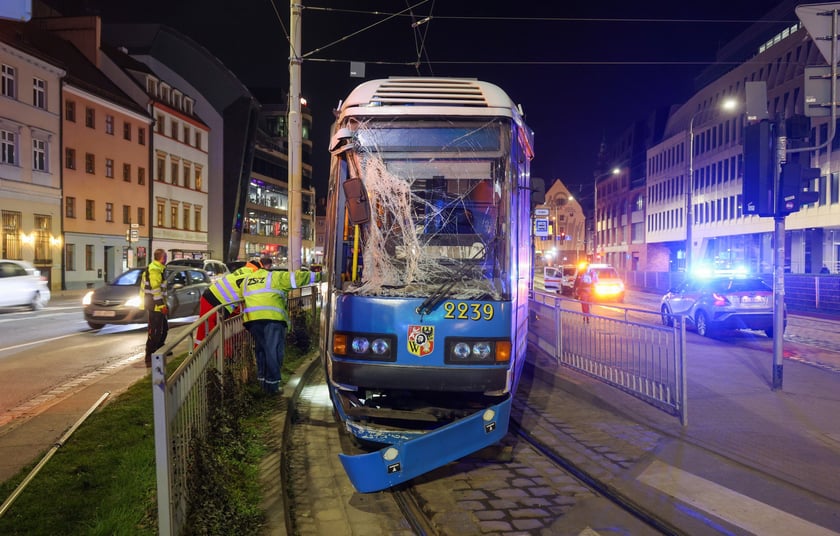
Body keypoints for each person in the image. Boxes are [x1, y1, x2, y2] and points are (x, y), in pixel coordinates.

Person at [242, 258, 321, 394]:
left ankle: (262, 383)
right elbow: (298, 277)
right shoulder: (275, 277)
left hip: (253, 321)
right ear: (267, 267)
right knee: (273, 351)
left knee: (261, 351)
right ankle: (272, 386)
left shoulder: (246, 281)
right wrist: (320, 275)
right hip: (272, 319)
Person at [194, 258, 262, 346]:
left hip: (215, 298)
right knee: (206, 330)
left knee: (212, 330)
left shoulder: (245, 270)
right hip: (214, 300)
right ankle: (197, 354)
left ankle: (220, 354)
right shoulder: (253, 275)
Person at [141, 248, 169, 367]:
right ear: (162, 258)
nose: (166, 259)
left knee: (164, 329)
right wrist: (161, 305)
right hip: (155, 306)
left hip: (157, 305)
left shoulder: (158, 269)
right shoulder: (154, 270)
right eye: (165, 257)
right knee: (155, 331)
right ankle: (150, 355)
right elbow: (156, 289)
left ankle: (159, 348)